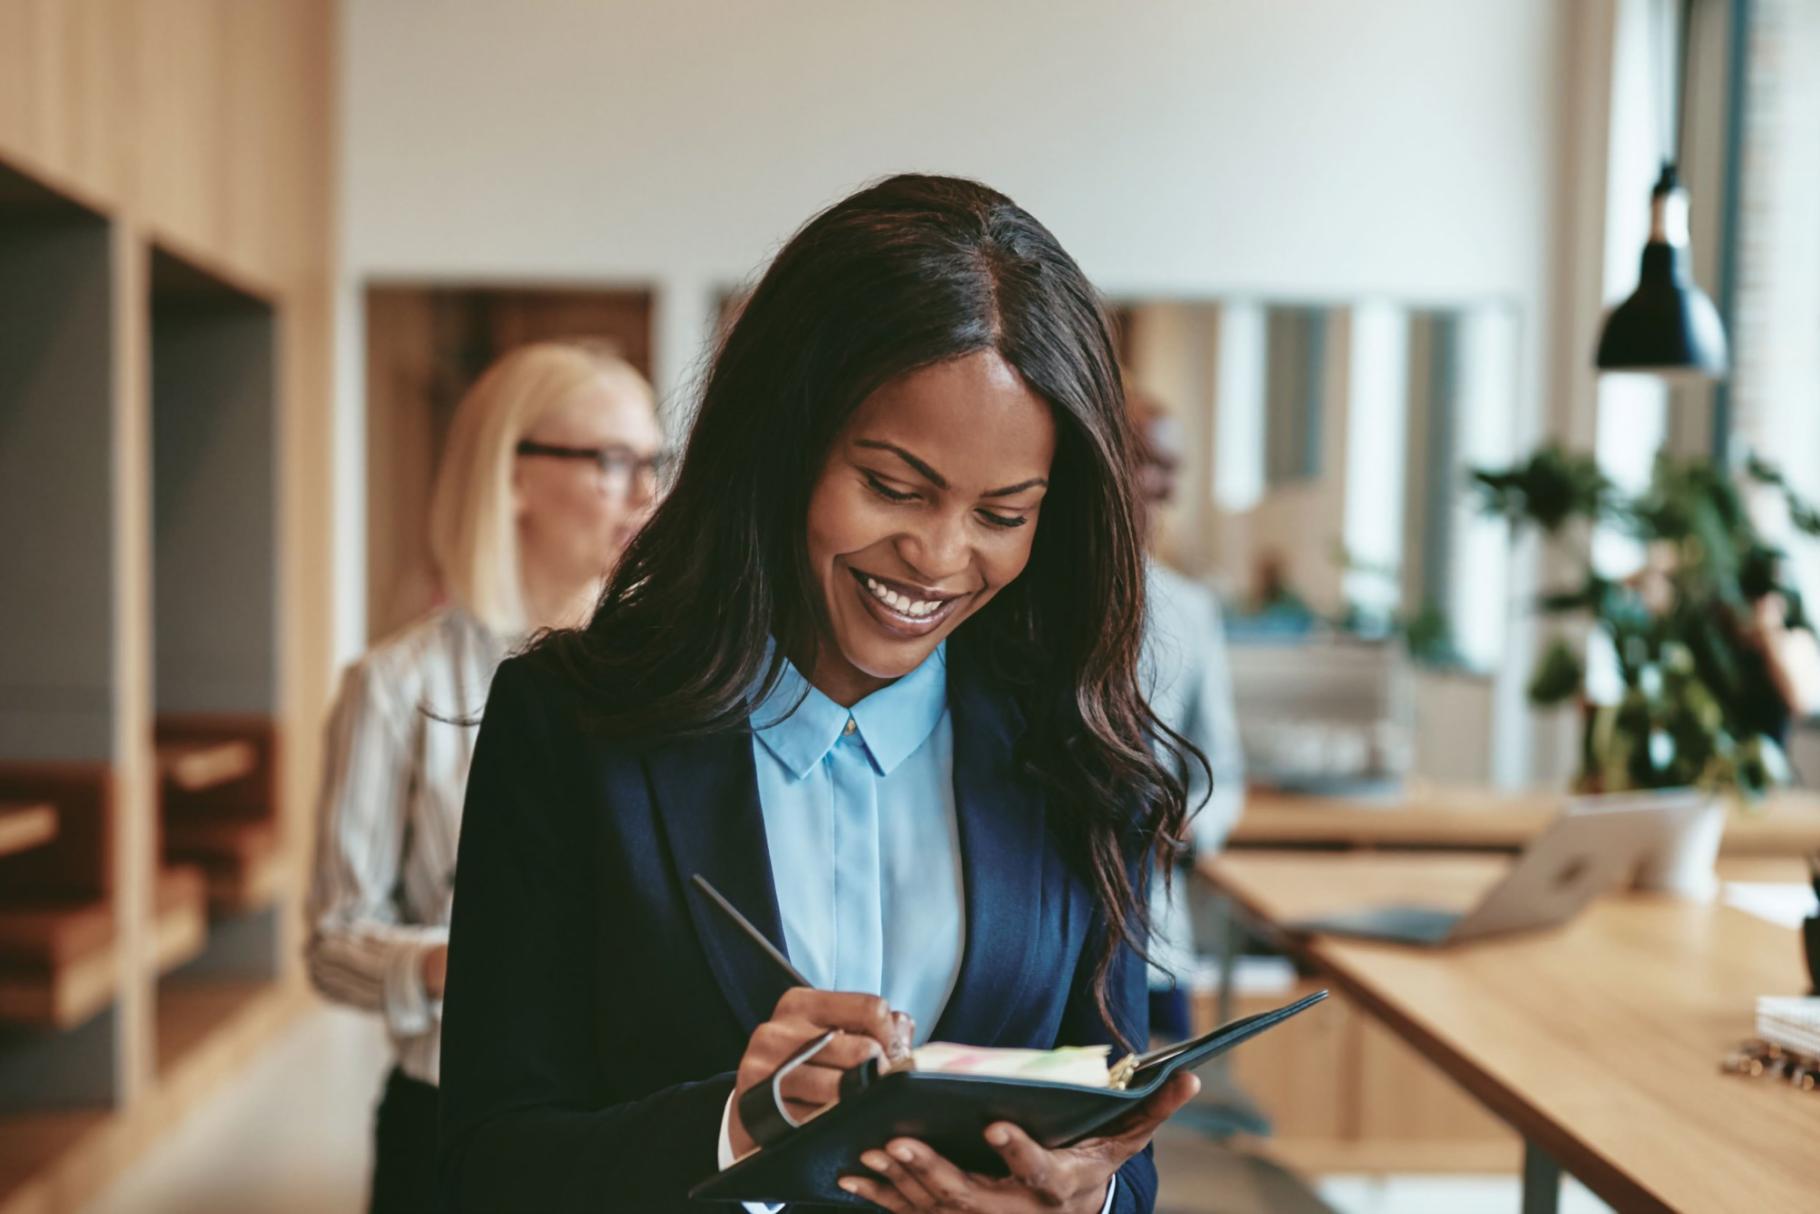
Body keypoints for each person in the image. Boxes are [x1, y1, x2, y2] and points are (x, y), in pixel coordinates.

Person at [437, 175, 1205, 1214]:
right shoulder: (569, 727)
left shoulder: (1071, 751)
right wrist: (734, 1125)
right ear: (781, 443)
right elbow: (489, 1164)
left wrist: (1088, 1197)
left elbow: (1114, 1131)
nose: (937, 556)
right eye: (892, 485)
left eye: (1002, 512)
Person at [304, 341, 663, 1214]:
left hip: (632, 1115)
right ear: (511, 476)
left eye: (657, 463)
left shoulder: (665, 681)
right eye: (614, 463)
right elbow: (334, 942)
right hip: (448, 1113)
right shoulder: (393, 688)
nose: (647, 494)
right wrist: (467, 964)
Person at [1129, 390, 1246, 1041]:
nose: (1166, 490)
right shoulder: (1022, 600)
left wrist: (1191, 824)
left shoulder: (1191, 610)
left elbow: (1222, 772)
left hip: (1153, 928)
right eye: (1149, 462)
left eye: (1174, 469)